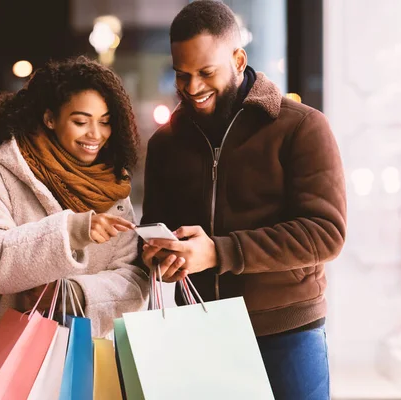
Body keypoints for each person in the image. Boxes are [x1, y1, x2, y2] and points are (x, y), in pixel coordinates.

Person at [140, 1, 346, 398]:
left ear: (238, 59)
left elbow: (326, 233)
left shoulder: (301, 127)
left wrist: (219, 252)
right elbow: (158, 222)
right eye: (181, 75)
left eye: (206, 72)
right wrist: (160, 253)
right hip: (201, 328)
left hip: (285, 333)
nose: (192, 88)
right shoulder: (166, 144)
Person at [0, 56, 148, 383]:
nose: (95, 133)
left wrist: (76, 294)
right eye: (81, 120)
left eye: (104, 121)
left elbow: (132, 277)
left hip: (92, 364)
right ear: (49, 118)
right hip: (14, 356)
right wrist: (71, 232)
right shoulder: (1, 172)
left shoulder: (112, 185)